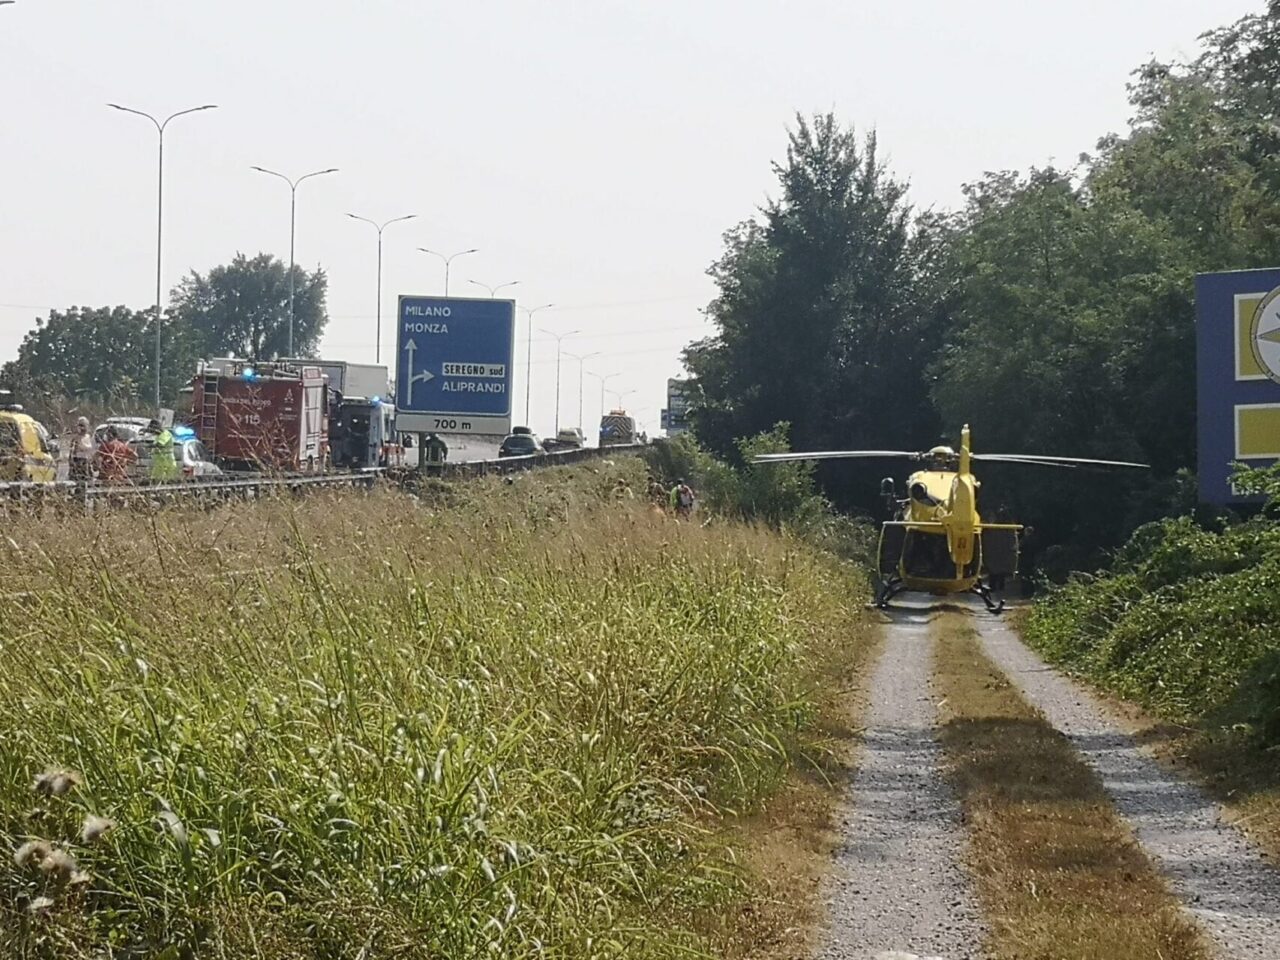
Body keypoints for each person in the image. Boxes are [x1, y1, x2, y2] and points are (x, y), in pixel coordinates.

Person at [69, 417, 95, 482]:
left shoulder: (88, 437)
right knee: (79, 478)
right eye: (80, 426)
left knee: (88, 478)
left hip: (86, 460)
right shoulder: (76, 438)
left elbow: (90, 449)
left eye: (83, 426)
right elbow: (72, 451)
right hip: (78, 460)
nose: (82, 428)